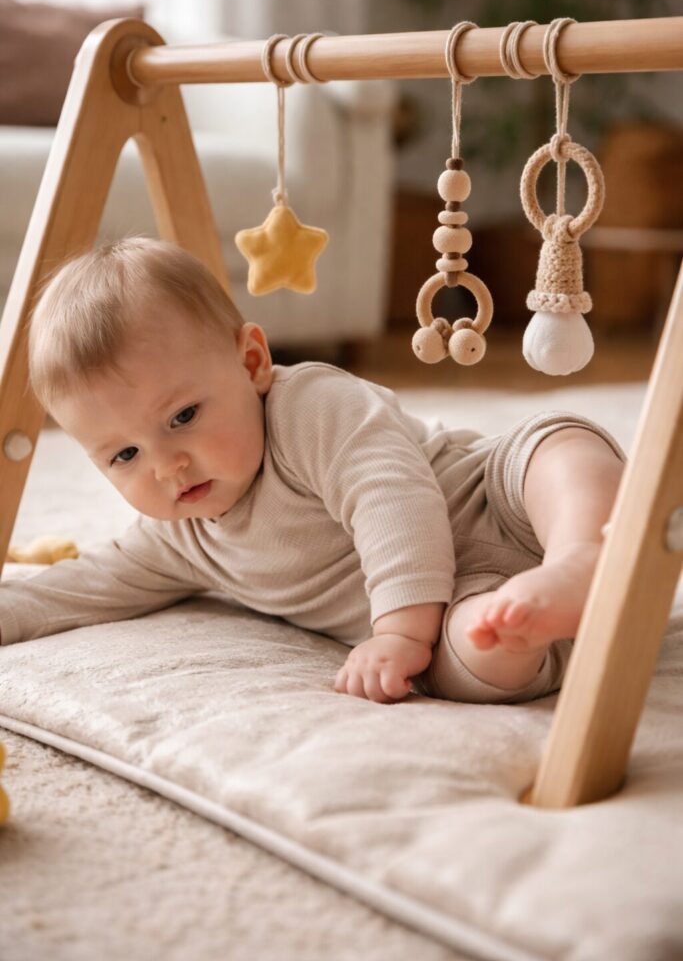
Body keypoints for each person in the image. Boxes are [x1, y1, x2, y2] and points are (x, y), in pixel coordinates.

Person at [0, 237, 625, 706]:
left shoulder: (309, 408)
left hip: (493, 499)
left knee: (557, 447)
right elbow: (82, 587)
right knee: (475, 657)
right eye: (124, 456)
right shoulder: (182, 539)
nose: (167, 465)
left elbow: (391, 495)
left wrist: (400, 633)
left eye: (183, 415)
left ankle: (581, 556)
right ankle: (525, 628)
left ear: (251, 363)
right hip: (469, 603)